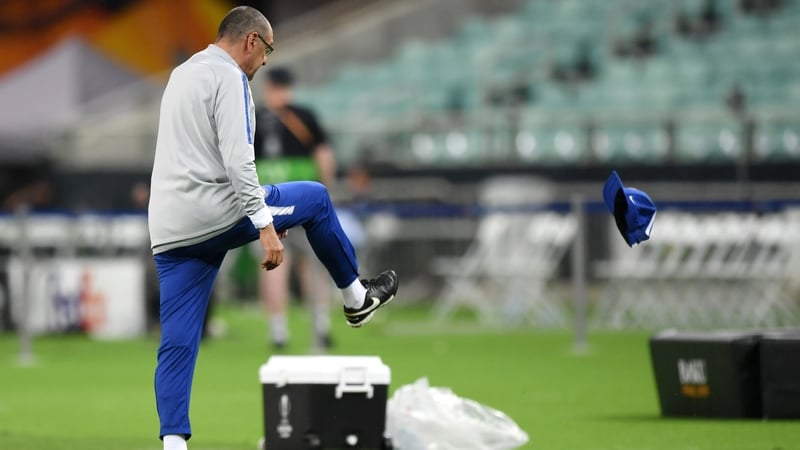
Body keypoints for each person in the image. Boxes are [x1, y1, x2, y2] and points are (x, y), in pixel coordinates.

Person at [147, 7, 398, 450]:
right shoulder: (230, 78)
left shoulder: (181, 74)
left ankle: (173, 442)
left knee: (178, 342)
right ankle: (357, 299)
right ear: (251, 42)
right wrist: (262, 223)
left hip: (170, 227)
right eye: (267, 50)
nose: (265, 62)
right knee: (317, 198)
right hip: (217, 212)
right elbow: (238, 158)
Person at [252, 66, 336, 351]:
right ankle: (321, 325)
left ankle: (278, 330)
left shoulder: (253, 117)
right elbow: (323, 155)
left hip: (267, 203)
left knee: (274, 265)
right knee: (311, 264)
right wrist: (325, 193)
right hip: (303, 200)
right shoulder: (304, 116)